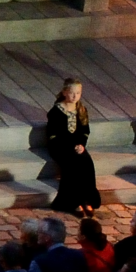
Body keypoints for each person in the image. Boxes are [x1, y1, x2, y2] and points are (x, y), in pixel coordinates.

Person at [44, 78, 98, 213]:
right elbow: (53, 134)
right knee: (72, 164)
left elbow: (85, 131)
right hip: (60, 146)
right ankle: (72, 202)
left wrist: (81, 145)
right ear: (64, 92)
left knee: (86, 162)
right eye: (72, 93)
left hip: (76, 146)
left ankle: (87, 199)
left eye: (78, 93)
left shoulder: (81, 110)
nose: (75, 96)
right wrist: (69, 147)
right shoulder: (56, 111)